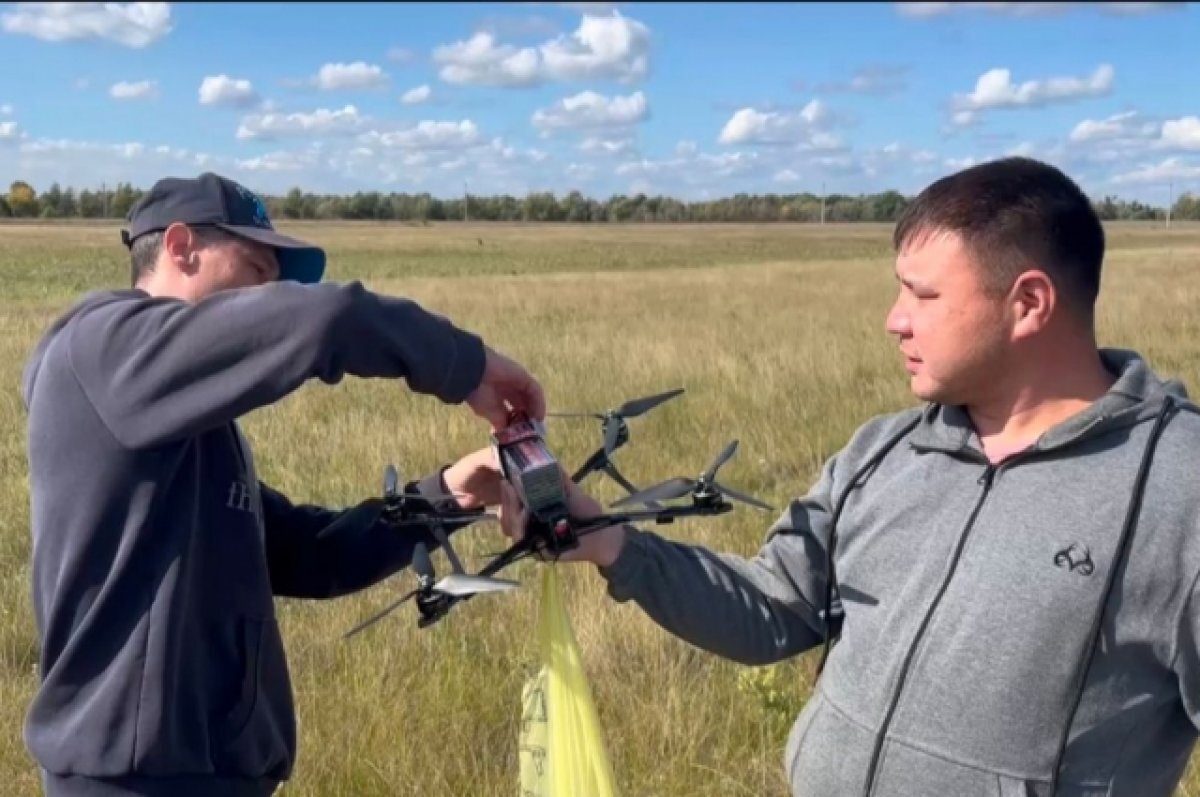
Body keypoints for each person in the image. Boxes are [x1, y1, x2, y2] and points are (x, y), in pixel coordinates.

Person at [497, 156, 1200, 796]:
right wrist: (607, 540)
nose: (895, 320)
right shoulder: (883, 452)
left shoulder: (1178, 490)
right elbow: (773, 607)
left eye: (922, 296)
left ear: (1029, 303)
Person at [20, 172, 542, 797]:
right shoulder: (101, 348)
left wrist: (445, 496)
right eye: (255, 269)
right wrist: (469, 366)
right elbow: (328, 319)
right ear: (181, 247)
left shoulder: (181, 413)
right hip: (134, 781)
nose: (267, 295)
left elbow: (302, 553)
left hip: (209, 772)